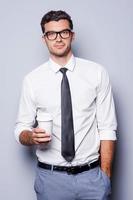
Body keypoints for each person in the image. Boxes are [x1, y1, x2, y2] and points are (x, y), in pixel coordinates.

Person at [15, 10, 117, 200]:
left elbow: (107, 127)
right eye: (51, 34)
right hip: (51, 179)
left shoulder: (97, 73)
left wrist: (105, 175)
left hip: (92, 178)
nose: (58, 39)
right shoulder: (32, 80)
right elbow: (21, 128)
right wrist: (31, 136)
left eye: (64, 32)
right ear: (44, 39)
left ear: (72, 35)